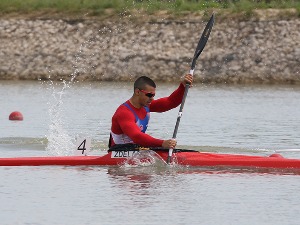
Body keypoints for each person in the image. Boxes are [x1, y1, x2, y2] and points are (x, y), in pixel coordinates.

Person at [109, 74, 193, 149]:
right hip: (118, 152)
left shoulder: (146, 105)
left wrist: (182, 87)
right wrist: (162, 143)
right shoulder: (124, 113)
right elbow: (136, 136)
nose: (152, 98)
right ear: (137, 92)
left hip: (137, 148)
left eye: (153, 95)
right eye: (149, 95)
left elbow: (170, 102)